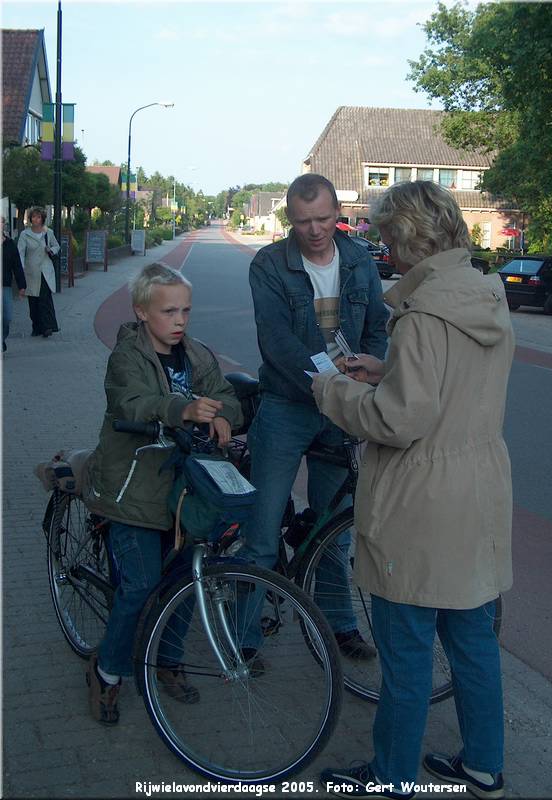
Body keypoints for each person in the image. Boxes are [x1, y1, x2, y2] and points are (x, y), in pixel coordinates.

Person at [312, 181, 513, 799]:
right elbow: (450, 387)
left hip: (421, 501)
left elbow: (401, 422)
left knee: (406, 651)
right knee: (473, 639)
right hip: (478, 489)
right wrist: (388, 371)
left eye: (385, 238)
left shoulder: (422, 315)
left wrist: (337, 392)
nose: (385, 252)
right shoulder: (484, 293)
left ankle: (392, 778)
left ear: (406, 241)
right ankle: (484, 766)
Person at [86, 263, 243, 725]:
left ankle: (168, 662)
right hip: (133, 487)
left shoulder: (196, 353)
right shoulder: (128, 354)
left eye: (186, 311)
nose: (179, 321)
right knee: (138, 585)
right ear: (141, 311)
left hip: (183, 490)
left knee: (181, 582)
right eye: (168, 311)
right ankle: (107, 673)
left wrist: (222, 414)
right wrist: (183, 408)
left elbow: (224, 394)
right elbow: (131, 402)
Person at [243, 173, 389, 661]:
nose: (315, 230)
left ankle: (340, 626)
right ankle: (245, 637)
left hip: (342, 408)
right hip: (288, 402)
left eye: (324, 218)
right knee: (262, 530)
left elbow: (376, 329)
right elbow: (275, 340)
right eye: (304, 221)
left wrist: (365, 378)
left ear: (337, 214)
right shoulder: (269, 264)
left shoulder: (358, 258)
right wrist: (328, 378)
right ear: (290, 218)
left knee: (333, 526)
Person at [17, 207, 60, 337]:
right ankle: (36, 327)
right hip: (31, 272)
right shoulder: (25, 234)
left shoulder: (48, 233)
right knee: (33, 301)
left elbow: (57, 246)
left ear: (42, 219)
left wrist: (51, 250)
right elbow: (20, 252)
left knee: (44, 299)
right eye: (34, 217)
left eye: (39, 217)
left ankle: (47, 327)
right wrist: (21, 269)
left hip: (45, 271)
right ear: (30, 219)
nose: (36, 219)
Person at [2, 216, 27, 352]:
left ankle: (2, 338)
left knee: (7, 317)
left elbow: (17, 266)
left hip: (5, 286)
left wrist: (22, 286)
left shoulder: (10, 245)